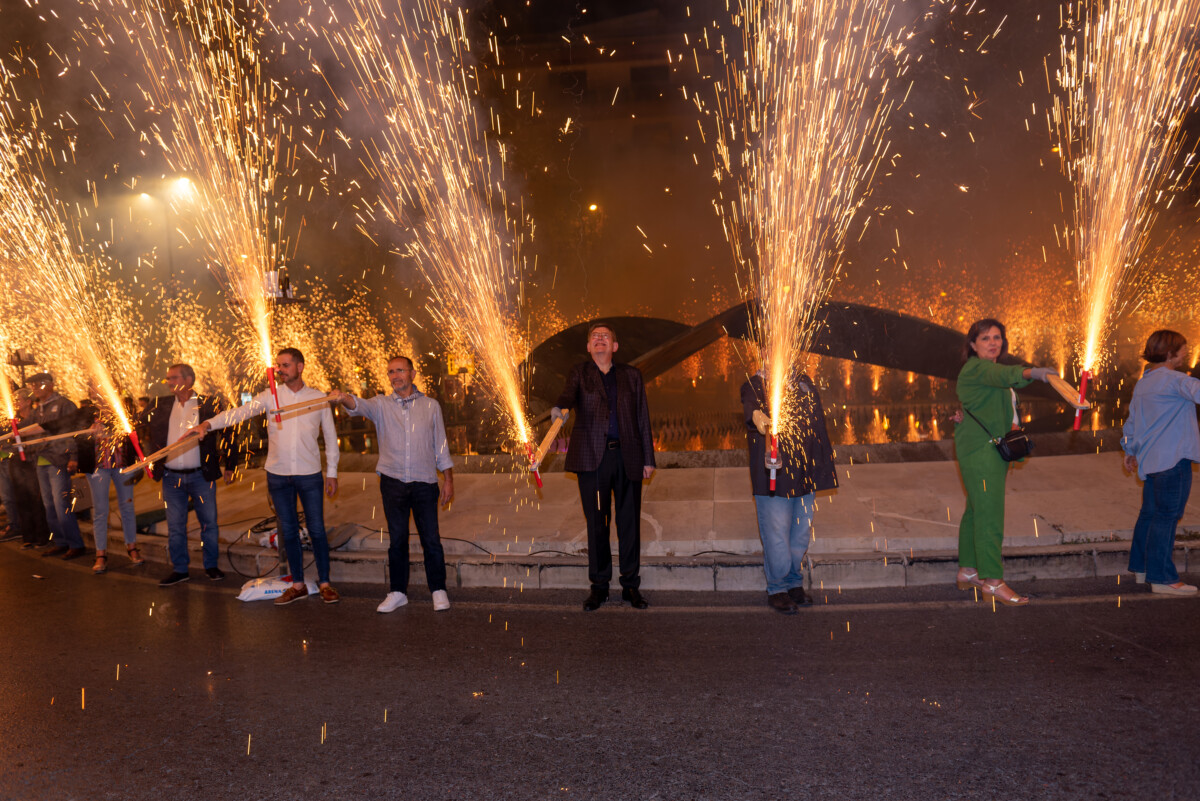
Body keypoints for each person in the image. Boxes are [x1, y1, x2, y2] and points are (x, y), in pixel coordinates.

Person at [195, 348, 341, 605]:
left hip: (309, 475)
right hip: (277, 475)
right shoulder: (269, 397)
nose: (280, 370)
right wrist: (208, 424)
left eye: (286, 365)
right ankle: (297, 584)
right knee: (288, 531)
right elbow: (238, 413)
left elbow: (330, 438)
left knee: (317, 529)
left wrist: (332, 473)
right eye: (279, 366)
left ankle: (326, 582)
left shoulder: (318, 398)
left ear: (300, 366)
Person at [329, 356, 454, 613]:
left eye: (400, 371)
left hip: (424, 481)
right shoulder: (381, 404)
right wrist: (343, 398)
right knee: (397, 539)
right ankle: (398, 591)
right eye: (390, 372)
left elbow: (440, 445)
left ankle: (438, 589)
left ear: (412, 373)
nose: (395, 376)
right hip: (392, 480)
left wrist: (448, 479)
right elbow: (358, 405)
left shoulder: (431, 406)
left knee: (431, 539)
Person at [551, 321, 656, 611]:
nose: (599, 340)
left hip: (628, 458)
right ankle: (598, 587)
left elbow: (642, 418)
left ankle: (630, 586)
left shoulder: (631, 376)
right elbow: (566, 397)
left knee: (629, 524)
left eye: (605, 337)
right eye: (594, 337)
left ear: (614, 346)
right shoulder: (580, 373)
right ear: (588, 347)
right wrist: (559, 410)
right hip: (593, 461)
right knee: (597, 524)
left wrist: (648, 458)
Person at [954, 319, 1058, 607]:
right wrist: (1034, 373)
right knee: (990, 516)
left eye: (997, 337)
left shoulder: (989, 371)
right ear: (973, 345)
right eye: (985, 338)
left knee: (976, 510)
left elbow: (997, 389)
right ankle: (993, 580)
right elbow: (1007, 376)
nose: (993, 342)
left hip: (981, 448)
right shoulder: (978, 367)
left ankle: (968, 569)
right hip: (982, 452)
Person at [741, 368, 837, 614]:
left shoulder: (803, 381)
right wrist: (757, 417)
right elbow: (751, 409)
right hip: (775, 476)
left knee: (800, 535)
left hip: (805, 474)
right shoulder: (755, 384)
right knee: (777, 536)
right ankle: (777, 588)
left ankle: (794, 583)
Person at [141, 363, 238, 586]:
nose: (168, 382)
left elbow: (230, 433)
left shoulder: (208, 404)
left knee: (209, 524)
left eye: (173, 378)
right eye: (167, 378)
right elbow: (134, 423)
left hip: (201, 476)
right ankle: (180, 569)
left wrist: (231, 465)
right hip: (171, 476)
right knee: (175, 526)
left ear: (188, 380)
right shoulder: (160, 404)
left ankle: (211, 566)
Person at [1121, 330, 1200, 596]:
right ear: (1169, 354)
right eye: (1183, 349)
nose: (1186, 353)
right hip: (1174, 459)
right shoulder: (1176, 380)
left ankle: (1142, 568)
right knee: (1166, 518)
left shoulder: (1144, 383)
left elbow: (1132, 422)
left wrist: (1130, 449)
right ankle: (1162, 578)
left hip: (1151, 461)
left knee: (1150, 515)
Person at [26, 373, 87, 560]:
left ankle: (76, 544)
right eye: (33, 386)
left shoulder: (64, 404)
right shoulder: (38, 409)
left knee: (61, 504)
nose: (34, 389)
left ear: (50, 385)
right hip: (41, 461)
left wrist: (73, 457)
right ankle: (61, 542)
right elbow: (29, 430)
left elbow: (72, 431)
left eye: (38, 385)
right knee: (49, 505)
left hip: (59, 460)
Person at [83, 386, 143, 574]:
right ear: (91, 394)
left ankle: (131, 547)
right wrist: (88, 432)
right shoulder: (86, 413)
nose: (99, 393)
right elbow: (76, 437)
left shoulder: (123, 410)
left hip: (122, 464)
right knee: (100, 510)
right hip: (97, 467)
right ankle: (101, 554)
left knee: (127, 506)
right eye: (94, 390)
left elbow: (135, 434)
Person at [1, 388, 51, 548]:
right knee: (21, 498)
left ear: (28, 401)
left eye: (18, 400)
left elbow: (42, 436)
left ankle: (42, 536)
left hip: (33, 460)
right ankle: (28, 536)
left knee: (36, 498)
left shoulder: (36, 417)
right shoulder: (12, 421)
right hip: (17, 462)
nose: (15, 403)